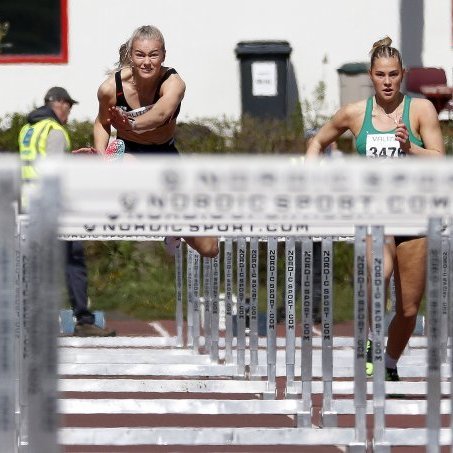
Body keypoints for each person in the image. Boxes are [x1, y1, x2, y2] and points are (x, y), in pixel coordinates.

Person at [306, 36, 445, 381]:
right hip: (374, 213)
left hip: (413, 213)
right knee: (376, 275)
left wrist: (411, 151)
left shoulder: (421, 110)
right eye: (381, 75)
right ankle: (370, 338)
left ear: (403, 75)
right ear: (371, 75)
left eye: (393, 75)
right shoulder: (355, 113)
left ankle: (389, 362)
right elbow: (318, 141)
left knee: (410, 308)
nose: (386, 82)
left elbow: (440, 160)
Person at [90, 24, 218, 258]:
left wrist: (131, 124)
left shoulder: (173, 83)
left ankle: (171, 222)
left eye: (153, 55)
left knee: (209, 247)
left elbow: (160, 114)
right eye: (140, 55)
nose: (147, 62)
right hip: (127, 152)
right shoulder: (110, 88)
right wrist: (100, 156)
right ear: (131, 56)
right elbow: (101, 122)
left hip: (164, 153)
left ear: (164, 55)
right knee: (130, 167)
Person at [18, 86, 116, 337]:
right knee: (73, 261)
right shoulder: (54, 130)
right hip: (54, 205)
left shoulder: (28, 129)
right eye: (69, 106)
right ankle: (83, 319)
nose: (69, 112)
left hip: (30, 204)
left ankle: (32, 320)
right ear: (58, 103)